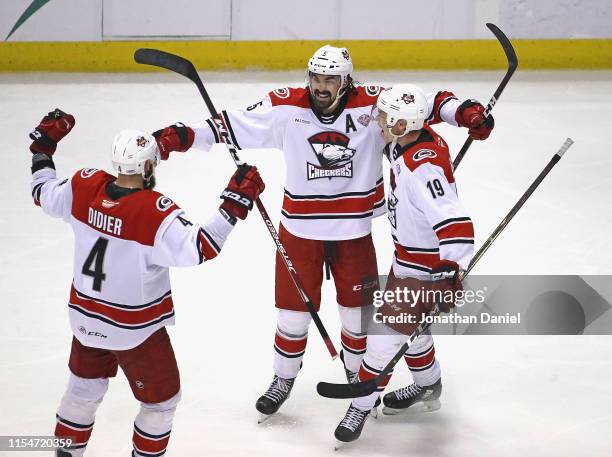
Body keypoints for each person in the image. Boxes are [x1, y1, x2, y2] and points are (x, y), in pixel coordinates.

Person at [154, 44, 492, 420]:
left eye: (330, 78)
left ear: (346, 80)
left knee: (357, 315)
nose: (321, 86)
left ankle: (357, 377)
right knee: (292, 316)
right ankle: (283, 379)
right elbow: (229, 124)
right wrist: (178, 137)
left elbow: (428, 102)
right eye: (315, 77)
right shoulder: (287, 106)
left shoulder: (374, 105)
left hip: (353, 230)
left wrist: (465, 113)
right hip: (300, 231)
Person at [28, 109, 265, 456]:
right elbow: (202, 247)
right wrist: (234, 203)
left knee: (82, 389)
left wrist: (43, 149)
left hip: (84, 319)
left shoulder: (83, 185)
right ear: (149, 167)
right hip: (133, 330)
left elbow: (41, 191)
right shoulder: (154, 212)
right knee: (161, 403)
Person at [332, 84, 475, 444]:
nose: (377, 119)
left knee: (382, 341)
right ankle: (429, 384)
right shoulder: (412, 137)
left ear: (399, 124)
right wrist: (464, 112)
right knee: (412, 334)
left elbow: (456, 224)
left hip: (425, 270)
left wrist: (451, 268)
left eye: (383, 117)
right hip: (405, 259)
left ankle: (360, 404)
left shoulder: (422, 169)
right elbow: (436, 99)